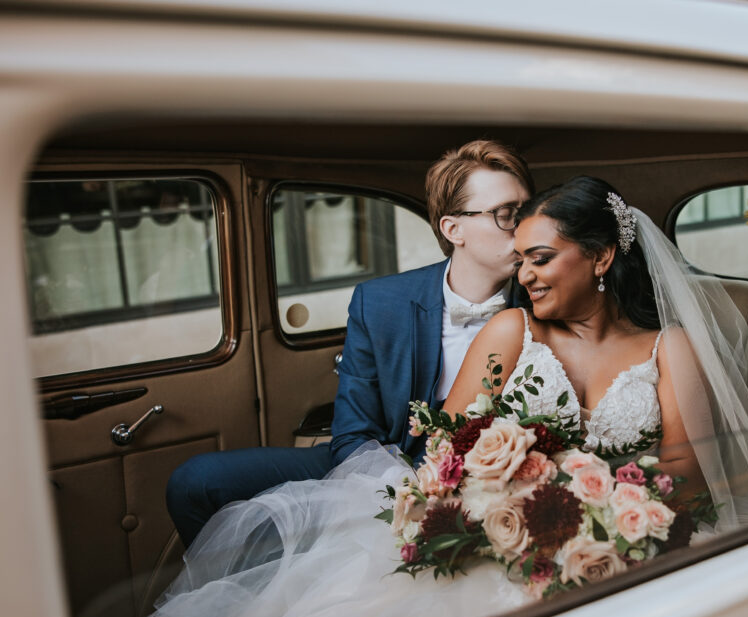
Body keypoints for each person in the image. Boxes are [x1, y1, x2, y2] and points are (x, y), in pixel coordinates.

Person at [87, 177, 748, 617]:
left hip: (626, 536)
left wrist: (590, 507)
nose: (525, 274)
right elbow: (449, 445)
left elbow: (689, 472)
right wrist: (503, 493)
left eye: (541, 257)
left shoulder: (668, 347)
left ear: (602, 256)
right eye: (519, 257)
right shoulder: (511, 329)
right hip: (491, 531)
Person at [165, 139, 534, 546]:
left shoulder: (546, 304)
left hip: (486, 475)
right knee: (194, 482)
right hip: (380, 465)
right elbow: (352, 433)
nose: (525, 228)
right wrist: (405, 488)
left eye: (527, 212)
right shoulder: (379, 302)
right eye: (506, 215)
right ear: (453, 228)